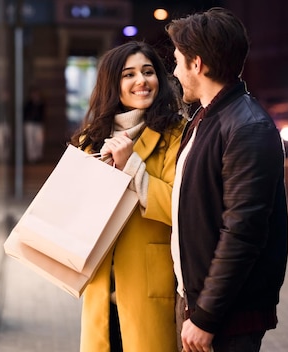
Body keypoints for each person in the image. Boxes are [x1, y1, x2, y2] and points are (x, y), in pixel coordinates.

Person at [166, 7, 288, 352]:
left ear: (198, 64)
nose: (174, 72)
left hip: (224, 317)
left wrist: (206, 316)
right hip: (198, 302)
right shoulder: (206, 117)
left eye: (178, 61)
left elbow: (242, 233)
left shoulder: (248, 127)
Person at [70, 41, 186, 351]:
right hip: (99, 288)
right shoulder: (91, 139)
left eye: (148, 72)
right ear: (113, 84)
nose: (141, 81)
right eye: (129, 74)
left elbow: (179, 207)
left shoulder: (175, 135)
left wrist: (131, 165)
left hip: (146, 285)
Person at [23, 86, 46, 163]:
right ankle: (31, 157)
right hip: (29, 123)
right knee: (30, 140)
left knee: (39, 141)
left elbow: (43, 114)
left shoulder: (41, 103)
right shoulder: (28, 103)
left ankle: (38, 156)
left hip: (38, 123)